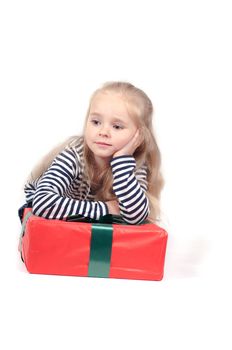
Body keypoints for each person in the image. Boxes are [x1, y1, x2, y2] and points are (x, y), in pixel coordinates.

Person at [19, 81, 164, 225]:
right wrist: (106, 208)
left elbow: (135, 216)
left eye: (117, 126)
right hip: (51, 212)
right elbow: (43, 203)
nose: (103, 132)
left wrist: (121, 161)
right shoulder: (74, 156)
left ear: (138, 136)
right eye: (96, 122)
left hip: (83, 219)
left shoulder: (132, 164)